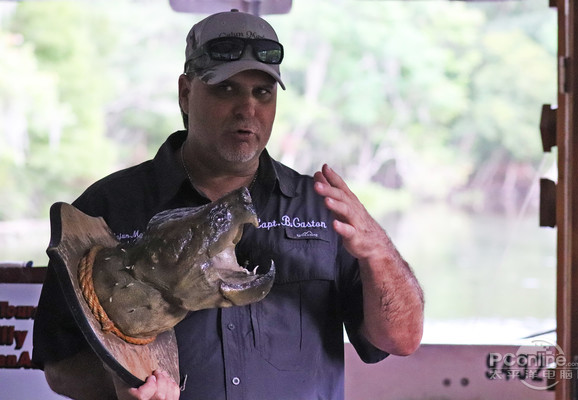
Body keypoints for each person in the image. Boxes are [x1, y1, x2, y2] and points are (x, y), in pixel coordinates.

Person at [33, 9, 424, 400]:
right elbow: (60, 366)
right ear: (186, 93)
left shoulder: (323, 208)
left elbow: (400, 340)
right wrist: (122, 384)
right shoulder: (105, 209)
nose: (247, 109)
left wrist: (380, 252)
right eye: (226, 89)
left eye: (262, 92)